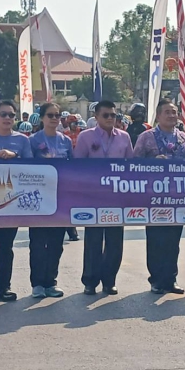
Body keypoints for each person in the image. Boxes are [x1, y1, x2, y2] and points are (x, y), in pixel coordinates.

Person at [74, 100, 134, 295]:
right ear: (96, 117)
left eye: (113, 115)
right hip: (93, 196)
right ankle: (90, 281)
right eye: (105, 115)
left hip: (117, 196)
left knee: (115, 241)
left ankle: (109, 280)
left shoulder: (124, 137)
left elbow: (131, 166)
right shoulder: (85, 137)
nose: (110, 118)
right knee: (93, 239)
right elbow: (77, 166)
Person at [133, 99, 185, 294]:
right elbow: (134, 164)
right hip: (154, 197)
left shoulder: (183, 137)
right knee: (156, 239)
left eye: (174, 112)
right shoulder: (146, 137)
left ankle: (171, 279)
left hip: (178, 196)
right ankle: (156, 279)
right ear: (158, 116)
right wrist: (152, 163)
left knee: (174, 241)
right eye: (167, 112)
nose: (172, 115)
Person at [0, 100, 33, 303]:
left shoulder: (22, 140)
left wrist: (14, 155)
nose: (8, 118)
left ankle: (4, 287)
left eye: (11, 115)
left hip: (11, 200)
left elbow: (31, 165)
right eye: (3, 114)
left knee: (6, 247)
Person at [27, 102, 71, 299]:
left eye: (57, 115)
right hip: (37, 198)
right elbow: (26, 166)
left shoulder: (66, 141)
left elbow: (73, 168)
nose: (54, 119)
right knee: (38, 243)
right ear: (42, 118)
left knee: (56, 243)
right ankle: (37, 283)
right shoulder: (32, 140)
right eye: (50, 115)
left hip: (60, 198)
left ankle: (51, 282)